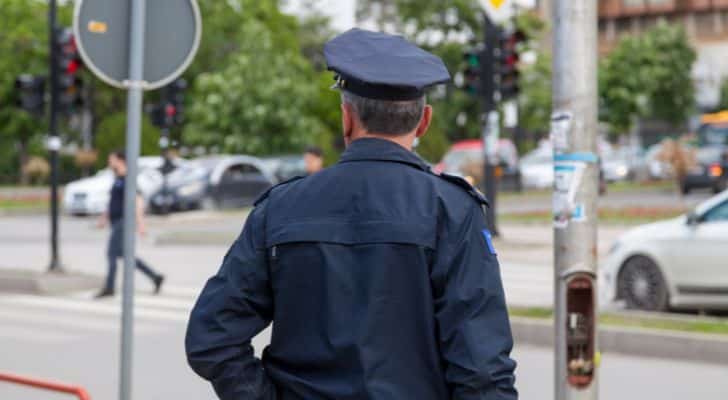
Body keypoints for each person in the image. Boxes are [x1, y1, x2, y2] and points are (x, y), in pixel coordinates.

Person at [186, 28, 517, 400]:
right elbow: (483, 371)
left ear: (347, 118)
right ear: (423, 122)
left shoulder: (281, 207)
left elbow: (212, 337)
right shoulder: (453, 210)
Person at [95, 150, 164, 298]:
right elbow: (113, 201)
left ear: (120, 160)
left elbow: (137, 201)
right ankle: (155, 277)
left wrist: (141, 224)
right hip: (115, 221)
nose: (109, 162)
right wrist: (104, 217)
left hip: (123, 221)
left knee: (111, 254)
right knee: (126, 255)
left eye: (111, 159)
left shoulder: (128, 179)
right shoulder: (117, 178)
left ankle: (109, 287)